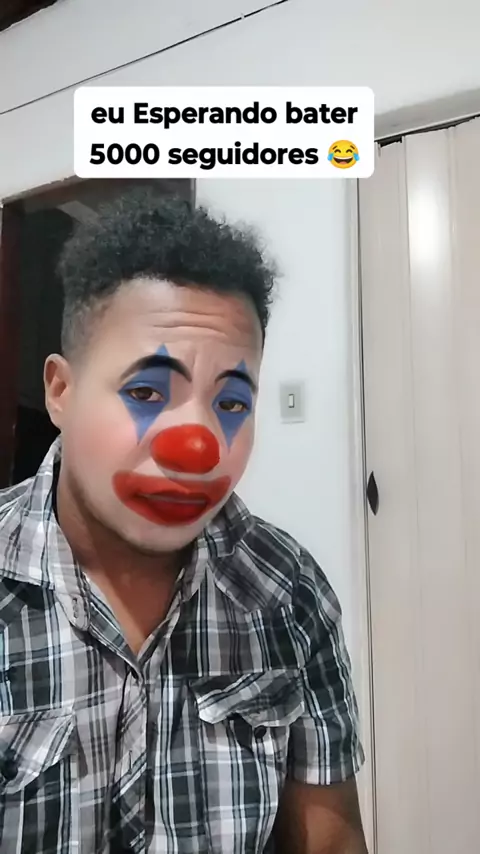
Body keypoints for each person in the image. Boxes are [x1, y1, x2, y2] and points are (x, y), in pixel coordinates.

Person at [0, 191, 367, 854]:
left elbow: (332, 839)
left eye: (231, 403)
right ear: (60, 392)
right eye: (145, 391)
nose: (197, 447)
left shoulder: (289, 593)